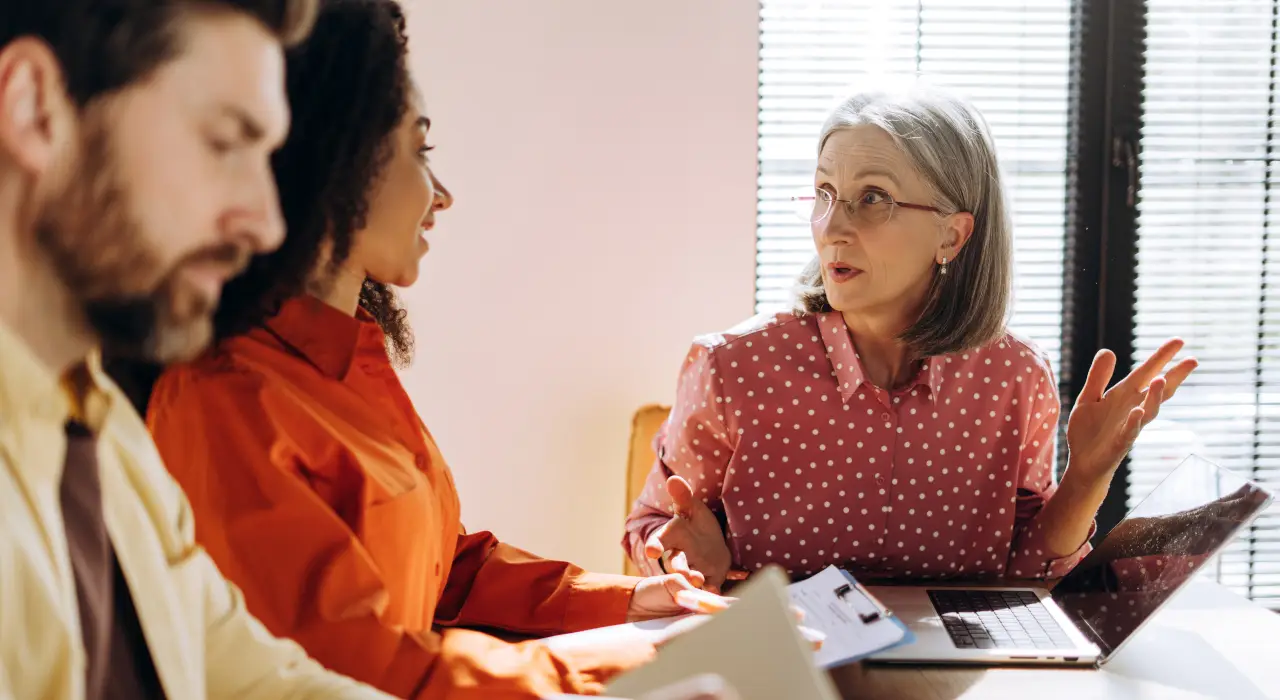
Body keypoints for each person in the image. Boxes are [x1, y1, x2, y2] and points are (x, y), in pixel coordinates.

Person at [126, 1, 737, 697]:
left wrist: (631, 604)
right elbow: (352, 668)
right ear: (335, 164)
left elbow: (446, 573)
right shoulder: (225, 399)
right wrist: (621, 662)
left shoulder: (351, 361)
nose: (441, 196)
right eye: (419, 152)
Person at [624, 86, 1199, 592]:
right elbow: (651, 526)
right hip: (785, 657)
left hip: (954, 662)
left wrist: (1087, 477)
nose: (832, 227)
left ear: (952, 235)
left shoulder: (1015, 376)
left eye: (873, 198)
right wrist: (681, 558)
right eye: (824, 193)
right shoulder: (733, 366)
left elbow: (1026, 571)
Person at [0, 0, 394, 697]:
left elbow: (257, 678)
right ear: (34, 111)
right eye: (224, 144)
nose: (268, 225)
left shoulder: (106, 434)